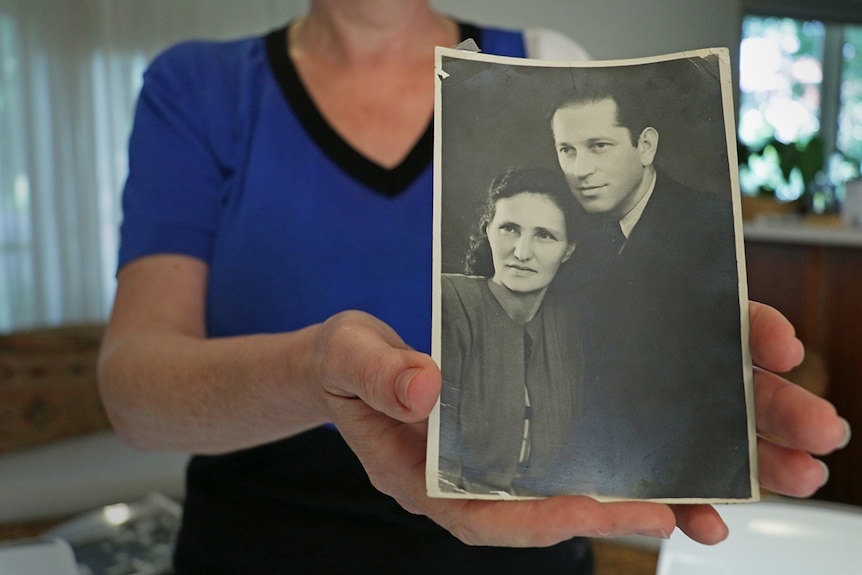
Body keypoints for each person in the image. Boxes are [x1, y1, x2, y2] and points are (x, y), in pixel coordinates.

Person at [96, 1, 851, 574]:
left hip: (520, 548)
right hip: (262, 550)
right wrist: (312, 374)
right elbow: (135, 393)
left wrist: (664, 319)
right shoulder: (195, 89)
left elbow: (601, 287)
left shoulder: (544, 65)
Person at [548, 76, 760, 499]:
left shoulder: (711, 226)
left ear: (645, 146)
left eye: (599, 146)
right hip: (589, 481)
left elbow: (722, 403)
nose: (579, 170)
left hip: (688, 484)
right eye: (566, 151)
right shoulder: (569, 234)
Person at [437, 167, 582, 497]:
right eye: (509, 229)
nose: (521, 252)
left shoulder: (569, 328)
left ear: (568, 249)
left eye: (544, 235)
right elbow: (436, 463)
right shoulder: (449, 301)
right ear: (488, 231)